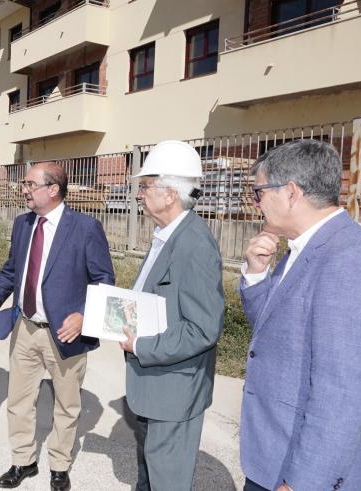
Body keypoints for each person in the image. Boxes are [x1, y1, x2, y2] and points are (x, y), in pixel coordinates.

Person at [239, 139, 361, 491]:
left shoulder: (350, 261)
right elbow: (269, 330)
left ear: (291, 192)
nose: (256, 204)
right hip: (274, 450)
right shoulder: (303, 246)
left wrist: (303, 482)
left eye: (258, 193)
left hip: (305, 469)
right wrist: (255, 274)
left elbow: (343, 392)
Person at [0, 163, 115, 491]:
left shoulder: (85, 228)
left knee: (66, 404)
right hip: (25, 327)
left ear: (53, 189)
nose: (23, 189)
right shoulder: (23, 224)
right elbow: (12, 269)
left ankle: (58, 465)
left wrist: (84, 315)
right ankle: (23, 461)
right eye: (24, 184)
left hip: (65, 333)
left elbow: (104, 279)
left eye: (30, 184)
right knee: (19, 400)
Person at [118, 141, 225, 491]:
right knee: (150, 478)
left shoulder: (192, 244)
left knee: (167, 482)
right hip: (155, 388)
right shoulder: (167, 235)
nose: (139, 194)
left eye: (145, 186)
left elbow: (202, 328)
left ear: (169, 194)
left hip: (173, 392)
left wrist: (142, 346)